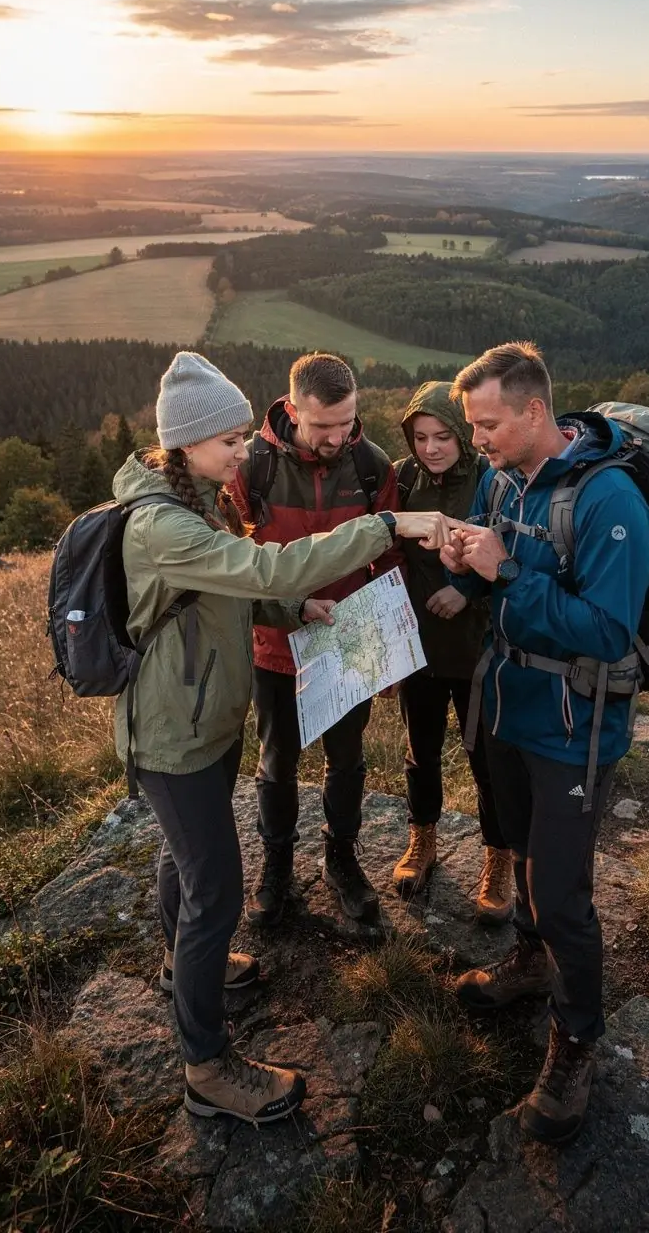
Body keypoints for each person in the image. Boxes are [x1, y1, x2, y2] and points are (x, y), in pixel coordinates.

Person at [115, 350, 451, 1127]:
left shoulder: (194, 500)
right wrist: (386, 525)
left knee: (182, 862)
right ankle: (207, 1068)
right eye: (229, 439)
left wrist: (295, 613)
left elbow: (233, 595)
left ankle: (178, 966)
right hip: (173, 734)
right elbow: (265, 567)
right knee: (216, 890)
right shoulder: (167, 522)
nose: (242, 452)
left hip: (201, 718)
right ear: (187, 441)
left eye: (242, 438)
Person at [440, 341, 649, 1145]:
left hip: (575, 728)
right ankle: (530, 962)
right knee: (524, 852)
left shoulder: (610, 502)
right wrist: (466, 559)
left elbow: (606, 633)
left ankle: (576, 1038)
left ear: (536, 411)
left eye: (488, 423)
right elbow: (498, 561)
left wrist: (504, 575)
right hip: (507, 705)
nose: (478, 439)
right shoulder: (501, 478)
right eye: (472, 425)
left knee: (563, 890)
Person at [229, 353, 404, 928]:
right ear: (292, 408)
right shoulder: (251, 467)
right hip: (275, 644)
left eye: (347, 421)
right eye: (323, 425)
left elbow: (389, 556)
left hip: (347, 640)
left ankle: (341, 859)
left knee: (347, 760)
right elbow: (231, 562)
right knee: (277, 762)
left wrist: (389, 647)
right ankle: (276, 866)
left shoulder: (374, 466)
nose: (337, 436)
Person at [391, 381, 512, 922]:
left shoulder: (492, 480)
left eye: (443, 435)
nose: (432, 447)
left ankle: (498, 857)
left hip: (475, 646)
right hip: (416, 644)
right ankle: (423, 839)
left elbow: (508, 555)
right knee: (421, 750)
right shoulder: (402, 479)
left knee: (486, 756)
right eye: (420, 437)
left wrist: (464, 591)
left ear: (463, 434)